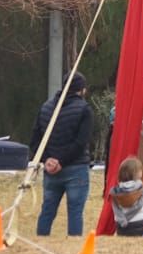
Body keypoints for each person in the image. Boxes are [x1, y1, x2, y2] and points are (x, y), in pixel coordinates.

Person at [28, 71, 94, 236]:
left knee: (47, 210)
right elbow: (81, 143)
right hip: (76, 168)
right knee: (75, 212)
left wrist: (47, 160)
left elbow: (35, 141)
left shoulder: (45, 108)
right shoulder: (84, 110)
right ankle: (73, 246)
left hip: (51, 170)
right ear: (81, 90)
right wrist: (62, 162)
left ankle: (40, 242)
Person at [111, 155, 143, 236]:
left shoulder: (115, 191)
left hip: (122, 227)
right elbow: (139, 205)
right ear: (138, 173)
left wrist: (123, 220)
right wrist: (127, 218)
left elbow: (116, 209)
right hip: (140, 225)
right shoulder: (142, 188)